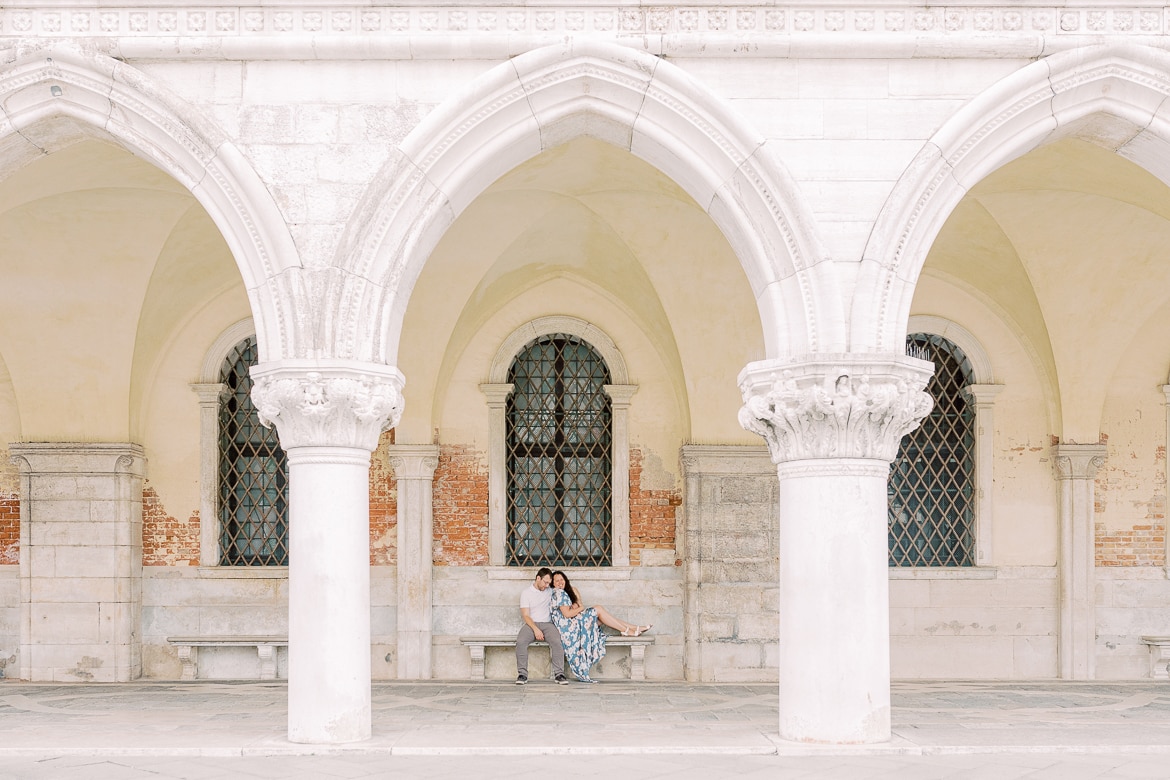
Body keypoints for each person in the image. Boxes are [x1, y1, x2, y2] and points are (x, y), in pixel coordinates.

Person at [548, 570, 652, 683]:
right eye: (557, 580)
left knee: (602, 616)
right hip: (570, 629)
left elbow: (577, 607)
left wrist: (576, 595)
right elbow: (567, 614)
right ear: (552, 583)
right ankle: (630, 629)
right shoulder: (558, 593)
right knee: (598, 609)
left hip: (577, 622)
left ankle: (633, 628)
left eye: (562, 579)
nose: (560, 582)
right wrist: (580, 607)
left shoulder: (566, 593)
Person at [515, 567, 569, 686]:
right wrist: (535, 629)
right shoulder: (526, 593)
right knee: (521, 641)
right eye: (545, 582)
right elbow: (525, 615)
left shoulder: (550, 591)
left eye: (549, 583)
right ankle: (522, 674)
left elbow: (566, 590)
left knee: (557, 641)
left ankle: (559, 674)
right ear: (538, 578)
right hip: (531, 624)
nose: (546, 585)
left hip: (548, 624)